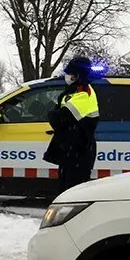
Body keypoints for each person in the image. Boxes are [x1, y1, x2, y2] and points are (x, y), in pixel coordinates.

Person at [43, 56, 100, 193]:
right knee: (66, 191)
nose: (67, 76)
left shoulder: (84, 94)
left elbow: (59, 120)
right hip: (71, 152)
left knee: (72, 194)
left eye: (70, 74)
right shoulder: (74, 91)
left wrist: (53, 114)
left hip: (78, 153)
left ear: (78, 76)